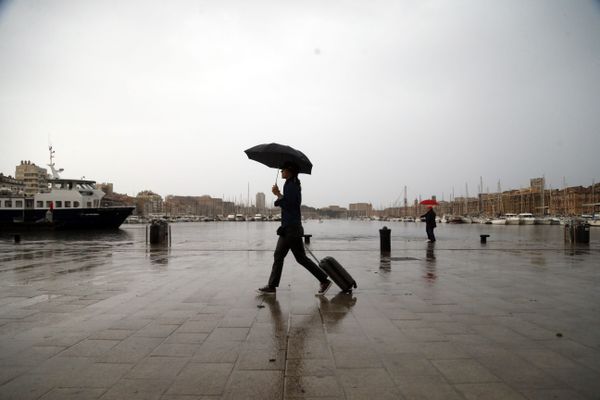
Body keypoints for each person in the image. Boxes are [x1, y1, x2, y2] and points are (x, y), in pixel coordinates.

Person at [258, 162, 332, 295]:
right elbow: (290, 204)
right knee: (284, 256)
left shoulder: (291, 185)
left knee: (296, 258)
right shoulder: (291, 184)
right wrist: (280, 195)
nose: (281, 172)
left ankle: (324, 280)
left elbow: (291, 205)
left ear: (290, 171)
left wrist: (278, 195)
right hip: (289, 228)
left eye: (283, 170)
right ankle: (272, 286)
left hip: (292, 229)